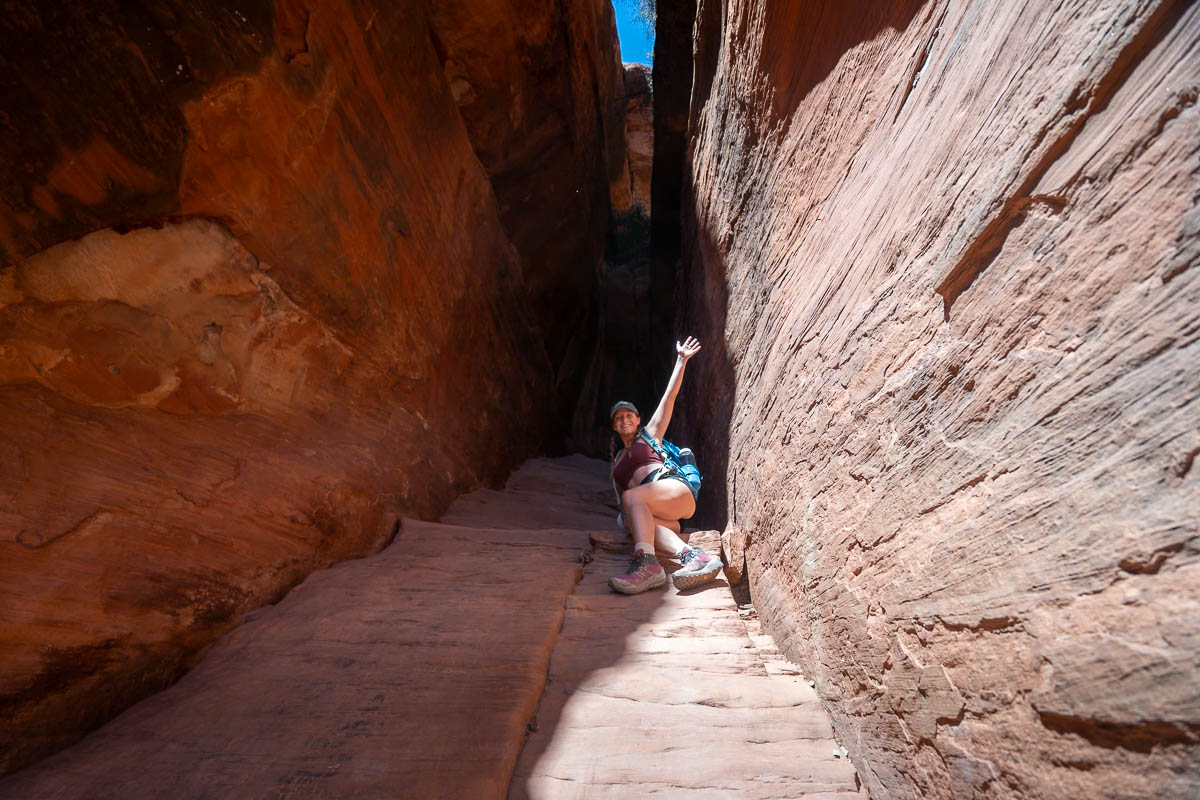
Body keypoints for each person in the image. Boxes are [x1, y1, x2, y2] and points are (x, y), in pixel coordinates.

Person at [607, 335, 723, 594]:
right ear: (614, 426)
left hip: (673, 489)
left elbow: (669, 399)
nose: (624, 420)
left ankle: (647, 566)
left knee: (632, 498)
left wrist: (681, 360)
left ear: (638, 420)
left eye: (629, 415)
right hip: (658, 511)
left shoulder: (649, 435)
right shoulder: (616, 463)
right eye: (618, 418)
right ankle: (695, 557)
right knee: (635, 523)